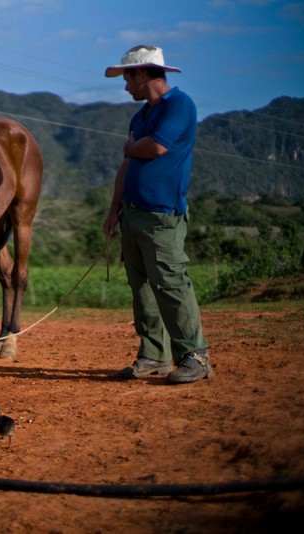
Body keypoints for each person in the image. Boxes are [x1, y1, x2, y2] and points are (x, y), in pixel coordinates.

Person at [102, 45, 213, 384]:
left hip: (162, 215)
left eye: (127, 79)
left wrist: (131, 147)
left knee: (170, 284)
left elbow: (156, 147)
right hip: (132, 214)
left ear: (141, 74)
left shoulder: (180, 105)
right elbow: (128, 164)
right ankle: (153, 356)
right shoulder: (140, 117)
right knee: (142, 288)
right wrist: (113, 209)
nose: (125, 87)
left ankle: (194, 356)